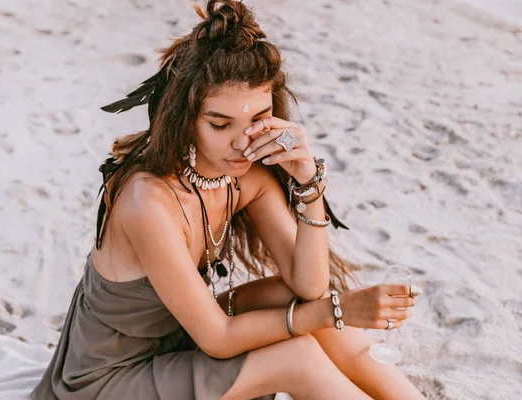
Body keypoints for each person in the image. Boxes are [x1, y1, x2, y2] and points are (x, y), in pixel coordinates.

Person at [33, 1, 426, 399]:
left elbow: (308, 286)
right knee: (298, 354)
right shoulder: (147, 201)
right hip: (105, 379)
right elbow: (218, 339)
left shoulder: (244, 176)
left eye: (258, 119)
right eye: (220, 124)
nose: (243, 142)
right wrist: (339, 311)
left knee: (295, 299)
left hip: (175, 342)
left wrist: (309, 182)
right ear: (184, 117)